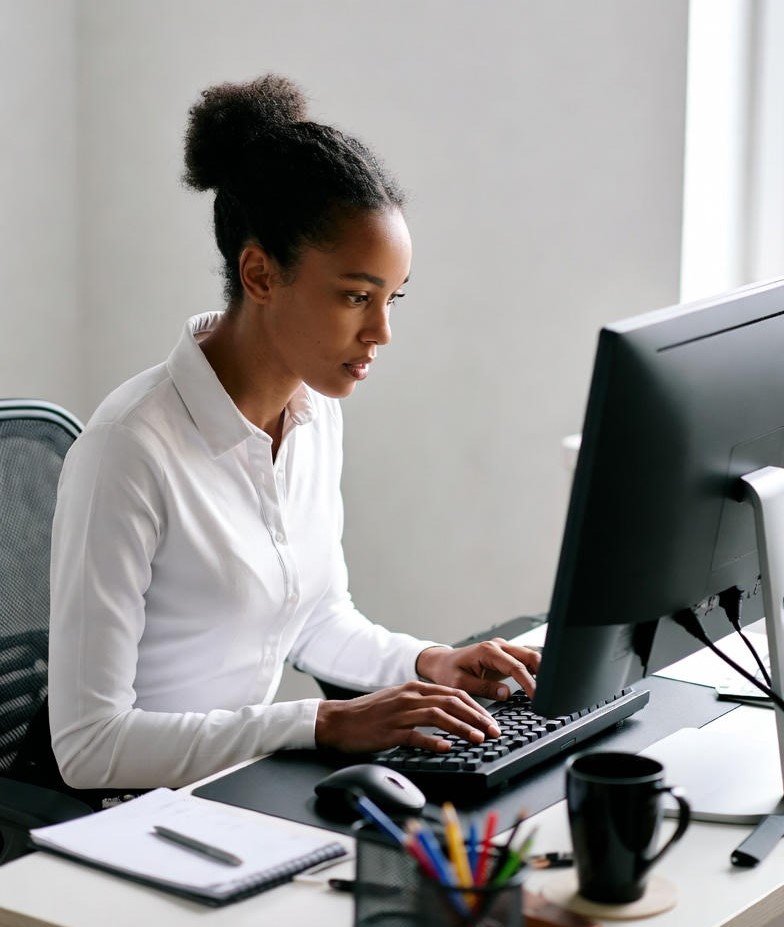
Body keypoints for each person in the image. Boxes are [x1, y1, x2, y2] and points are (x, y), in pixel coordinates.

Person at [48, 74, 540, 791]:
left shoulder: (314, 412)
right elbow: (90, 746)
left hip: (241, 783)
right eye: (354, 296)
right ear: (260, 274)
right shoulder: (129, 450)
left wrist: (429, 661)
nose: (381, 332)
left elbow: (312, 617)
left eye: (391, 298)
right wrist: (318, 722)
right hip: (134, 816)